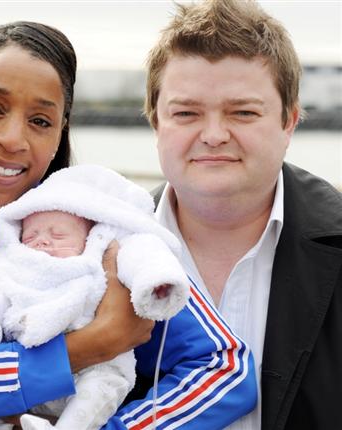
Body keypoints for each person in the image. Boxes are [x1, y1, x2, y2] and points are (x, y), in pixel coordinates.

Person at [0, 21, 255, 430]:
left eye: (40, 121)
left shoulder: (103, 230)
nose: (13, 139)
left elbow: (226, 368)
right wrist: (90, 346)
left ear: (59, 135)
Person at [142, 0, 342, 429]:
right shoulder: (95, 252)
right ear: (156, 123)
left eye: (243, 112)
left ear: (289, 122)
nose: (214, 135)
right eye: (186, 113)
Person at [0, 164, 190, 430]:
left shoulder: (104, 255)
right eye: (31, 236)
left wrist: (155, 284)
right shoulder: (16, 264)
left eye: (58, 235)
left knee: (99, 390)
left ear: (90, 237)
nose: (42, 242)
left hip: (97, 368)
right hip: (28, 362)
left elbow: (144, 258)